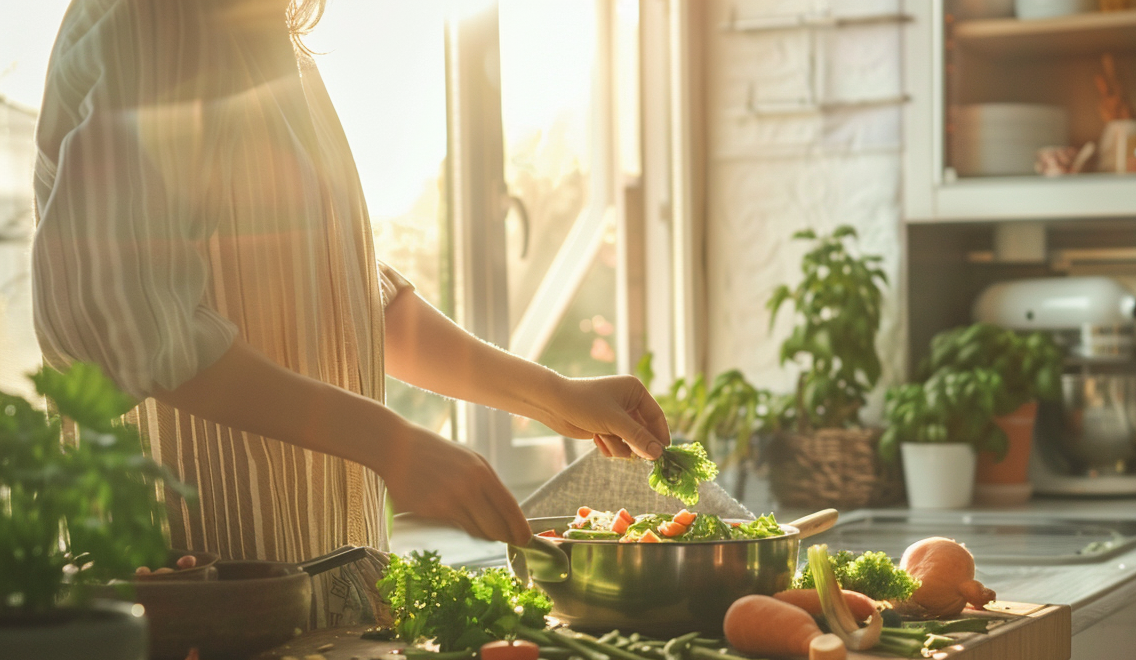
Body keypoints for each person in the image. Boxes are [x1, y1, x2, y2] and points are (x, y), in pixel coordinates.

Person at [30, 0, 669, 627]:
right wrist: (390, 443)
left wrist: (555, 397)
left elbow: (347, 298)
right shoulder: (155, 22)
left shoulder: (273, 43)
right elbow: (136, 326)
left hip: (314, 565)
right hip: (196, 586)